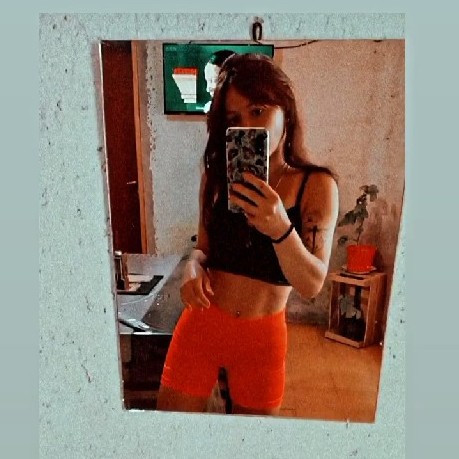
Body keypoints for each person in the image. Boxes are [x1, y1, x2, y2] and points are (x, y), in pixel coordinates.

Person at [157, 53, 339, 416]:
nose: (248, 127)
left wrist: (279, 227)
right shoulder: (214, 177)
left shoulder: (316, 185)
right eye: (234, 120)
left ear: (286, 111)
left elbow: (312, 284)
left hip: (262, 341)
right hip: (203, 324)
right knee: (172, 434)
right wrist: (192, 267)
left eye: (258, 111)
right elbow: (202, 249)